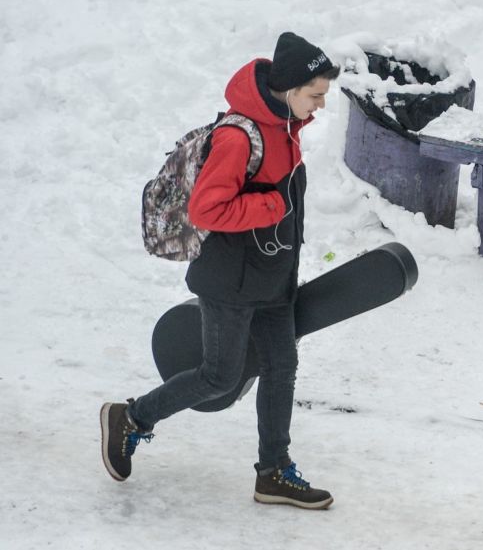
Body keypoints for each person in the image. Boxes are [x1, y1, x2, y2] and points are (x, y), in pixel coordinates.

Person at [100, 32, 339, 510]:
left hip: (271, 278)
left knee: (281, 368)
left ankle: (273, 472)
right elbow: (207, 210)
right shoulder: (237, 136)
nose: (320, 105)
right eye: (315, 94)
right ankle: (131, 418)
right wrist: (270, 206)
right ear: (289, 88)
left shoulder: (288, 128)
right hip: (229, 281)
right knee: (219, 377)